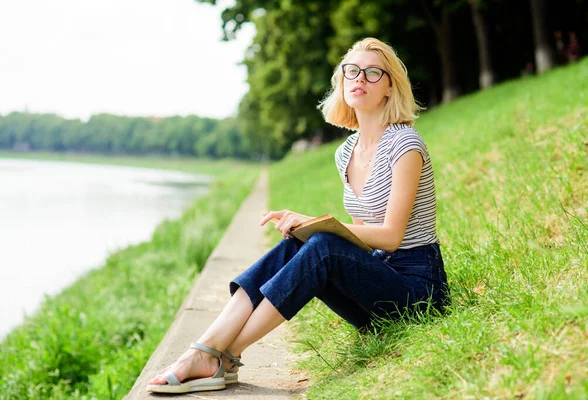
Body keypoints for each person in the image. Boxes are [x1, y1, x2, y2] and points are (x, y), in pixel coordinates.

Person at [146, 37, 449, 394]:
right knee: (297, 243)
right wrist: (308, 228)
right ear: (341, 80)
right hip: (376, 291)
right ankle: (209, 348)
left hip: (418, 293)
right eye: (352, 71)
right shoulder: (347, 153)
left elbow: (391, 236)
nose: (360, 79)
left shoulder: (405, 144)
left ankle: (221, 356)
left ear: (389, 86)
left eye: (372, 73)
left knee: (321, 243)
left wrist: (315, 225)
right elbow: (364, 239)